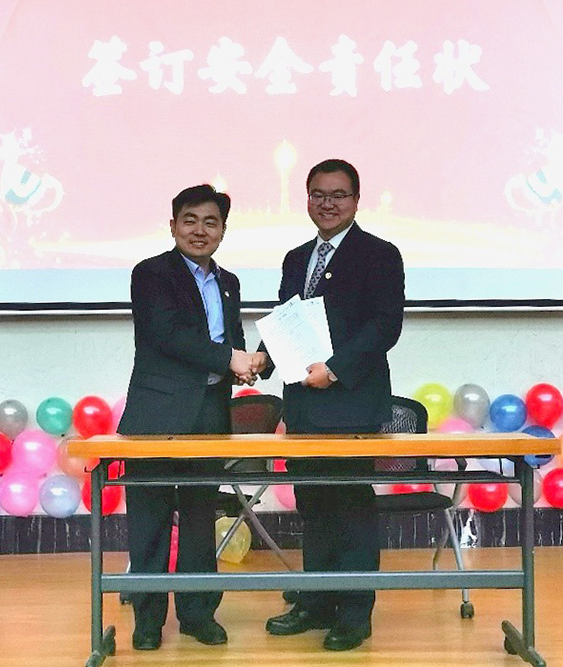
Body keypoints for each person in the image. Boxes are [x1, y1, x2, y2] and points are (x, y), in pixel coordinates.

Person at [253, 159, 405, 651]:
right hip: (304, 405)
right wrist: (262, 361)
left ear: (356, 200)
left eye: (338, 194)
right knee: (314, 506)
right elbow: (286, 322)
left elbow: (385, 327)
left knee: (351, 509)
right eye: (318, 194)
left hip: (352, 404)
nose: (328, 203)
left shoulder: (380, 255)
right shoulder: (297, 258)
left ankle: (355, 614)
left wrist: (335, 369)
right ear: (307, 199)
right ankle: (316, 602)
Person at [117, 183, 256, 651]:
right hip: (156, 416)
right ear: (173, 225)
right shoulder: (151, 273)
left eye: (211, 222)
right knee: (150, 523)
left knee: (200, 520)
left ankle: (198, 615)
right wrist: (229, 358)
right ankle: (148, 621)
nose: (200, 230)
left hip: (210, 414)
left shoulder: (229, 282)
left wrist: (246, 365)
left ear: (223, 230)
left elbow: (230, 338)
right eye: (190, 220)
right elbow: (167, 334)